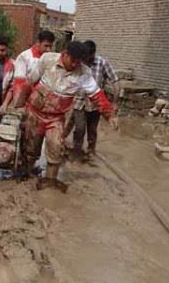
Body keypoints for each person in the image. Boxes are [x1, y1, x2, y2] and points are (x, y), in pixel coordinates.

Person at [15, 41, 118, 192]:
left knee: (56, 148)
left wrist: (110, 116)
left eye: (79, 62)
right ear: (65, 54)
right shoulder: (47, 59)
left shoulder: (84, 73)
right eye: (73, 60)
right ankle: (27, 176)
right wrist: (19, 105)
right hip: (35, 113)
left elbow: (97, 95)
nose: (76, 64)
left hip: (56, 117)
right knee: (30, 149)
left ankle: (49, 183)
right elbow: (29, 83)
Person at [64, 40, 119, 159]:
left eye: (87, 57)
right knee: (79, 128)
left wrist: (114, 102)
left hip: (95, 104)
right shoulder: (78, 63)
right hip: (79, 102)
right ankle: (76, 151)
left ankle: (90, 152)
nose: (84, 60)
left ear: (93, 54)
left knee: (92, 130)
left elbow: (115, 81)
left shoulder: (102, 63)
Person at [10, 30, 56, 104]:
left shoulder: (51, 59)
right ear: (38, 42)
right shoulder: (25, 57)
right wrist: (20, 103)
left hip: (42, 102)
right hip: (26, 100)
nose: (48, 49)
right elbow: (19, 83)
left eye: (50, 46)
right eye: (46, 46)